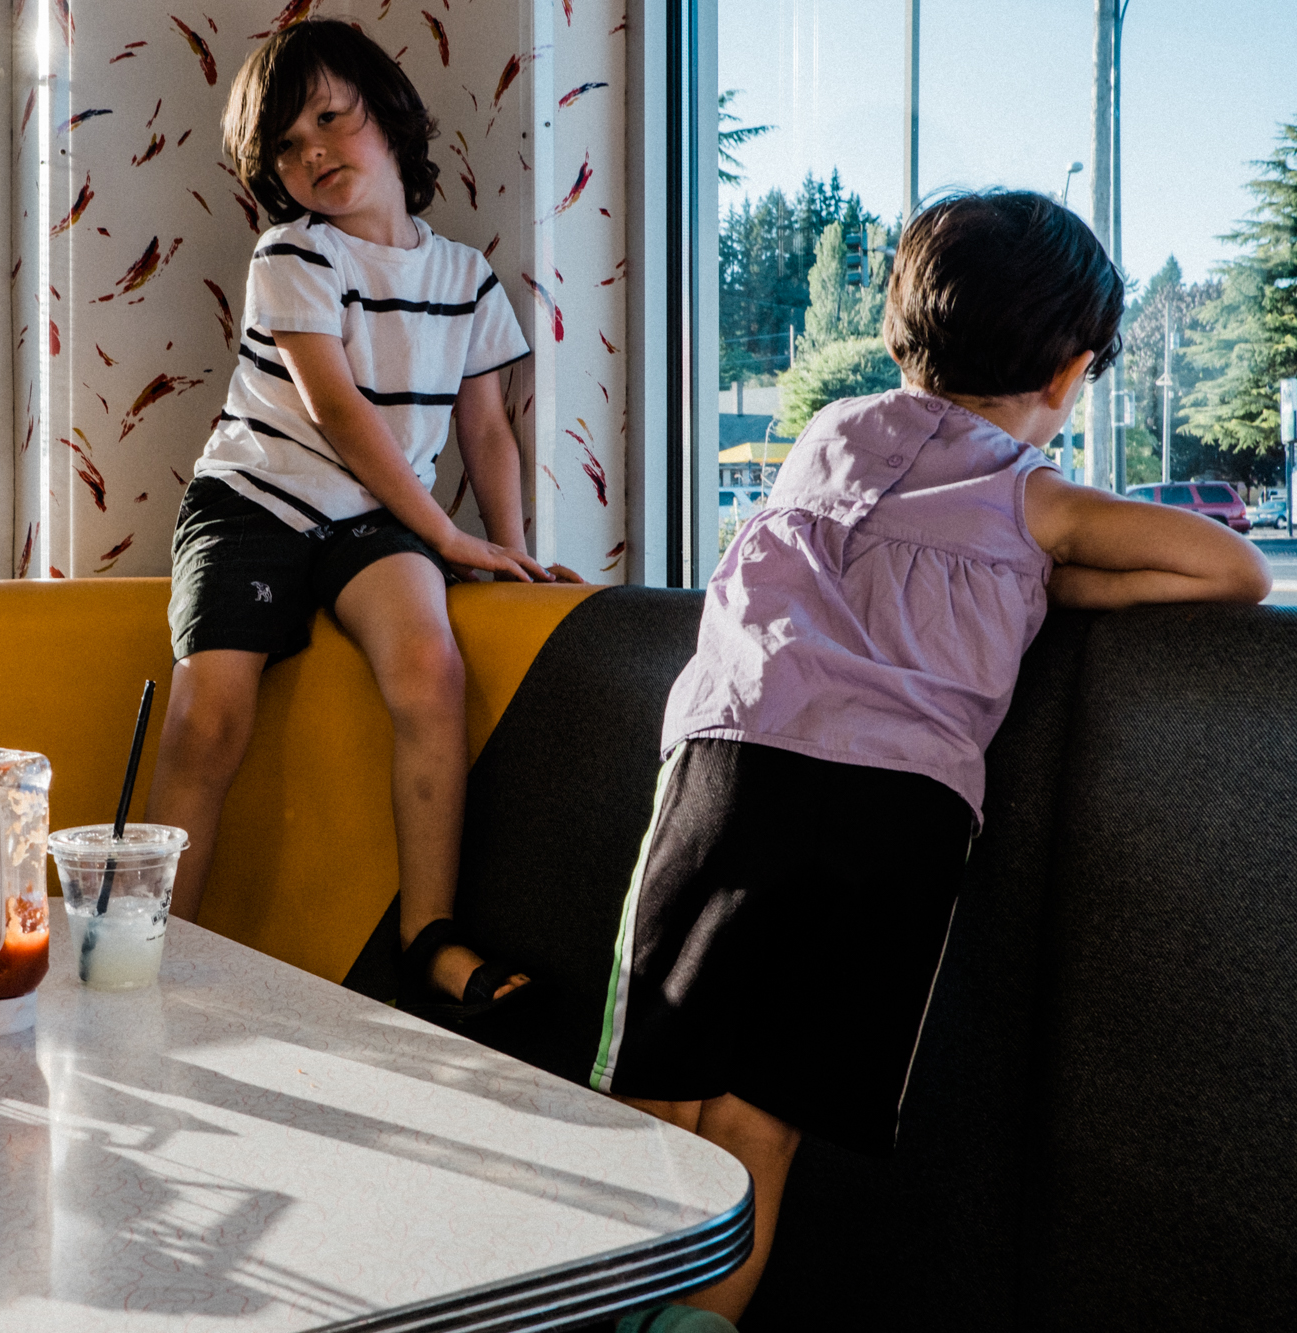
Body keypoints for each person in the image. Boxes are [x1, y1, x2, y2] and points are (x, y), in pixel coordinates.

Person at [589, 189, 1270, 1320]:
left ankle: (593, 1305)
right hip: (897, 819)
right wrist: (1050, 565)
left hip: (735, 769)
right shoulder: (1032, 500)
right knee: (766, 1118)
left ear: (908, 321)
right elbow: (1230, 570)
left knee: (653, 1095)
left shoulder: (825, 437)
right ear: (1067, 372)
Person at [144, 19, 568, 1020]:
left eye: (329, 120)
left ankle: (428, 933)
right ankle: (150, 948)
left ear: (385, 115)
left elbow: (487, 430)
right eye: (286, 146)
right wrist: (449, 535)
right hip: (256, 501)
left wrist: (499, 550)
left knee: (430, 667)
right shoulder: (293, 253)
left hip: (374, 520)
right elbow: (338, 412)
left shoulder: (462, 276)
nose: (312, 154)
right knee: (210, 715)